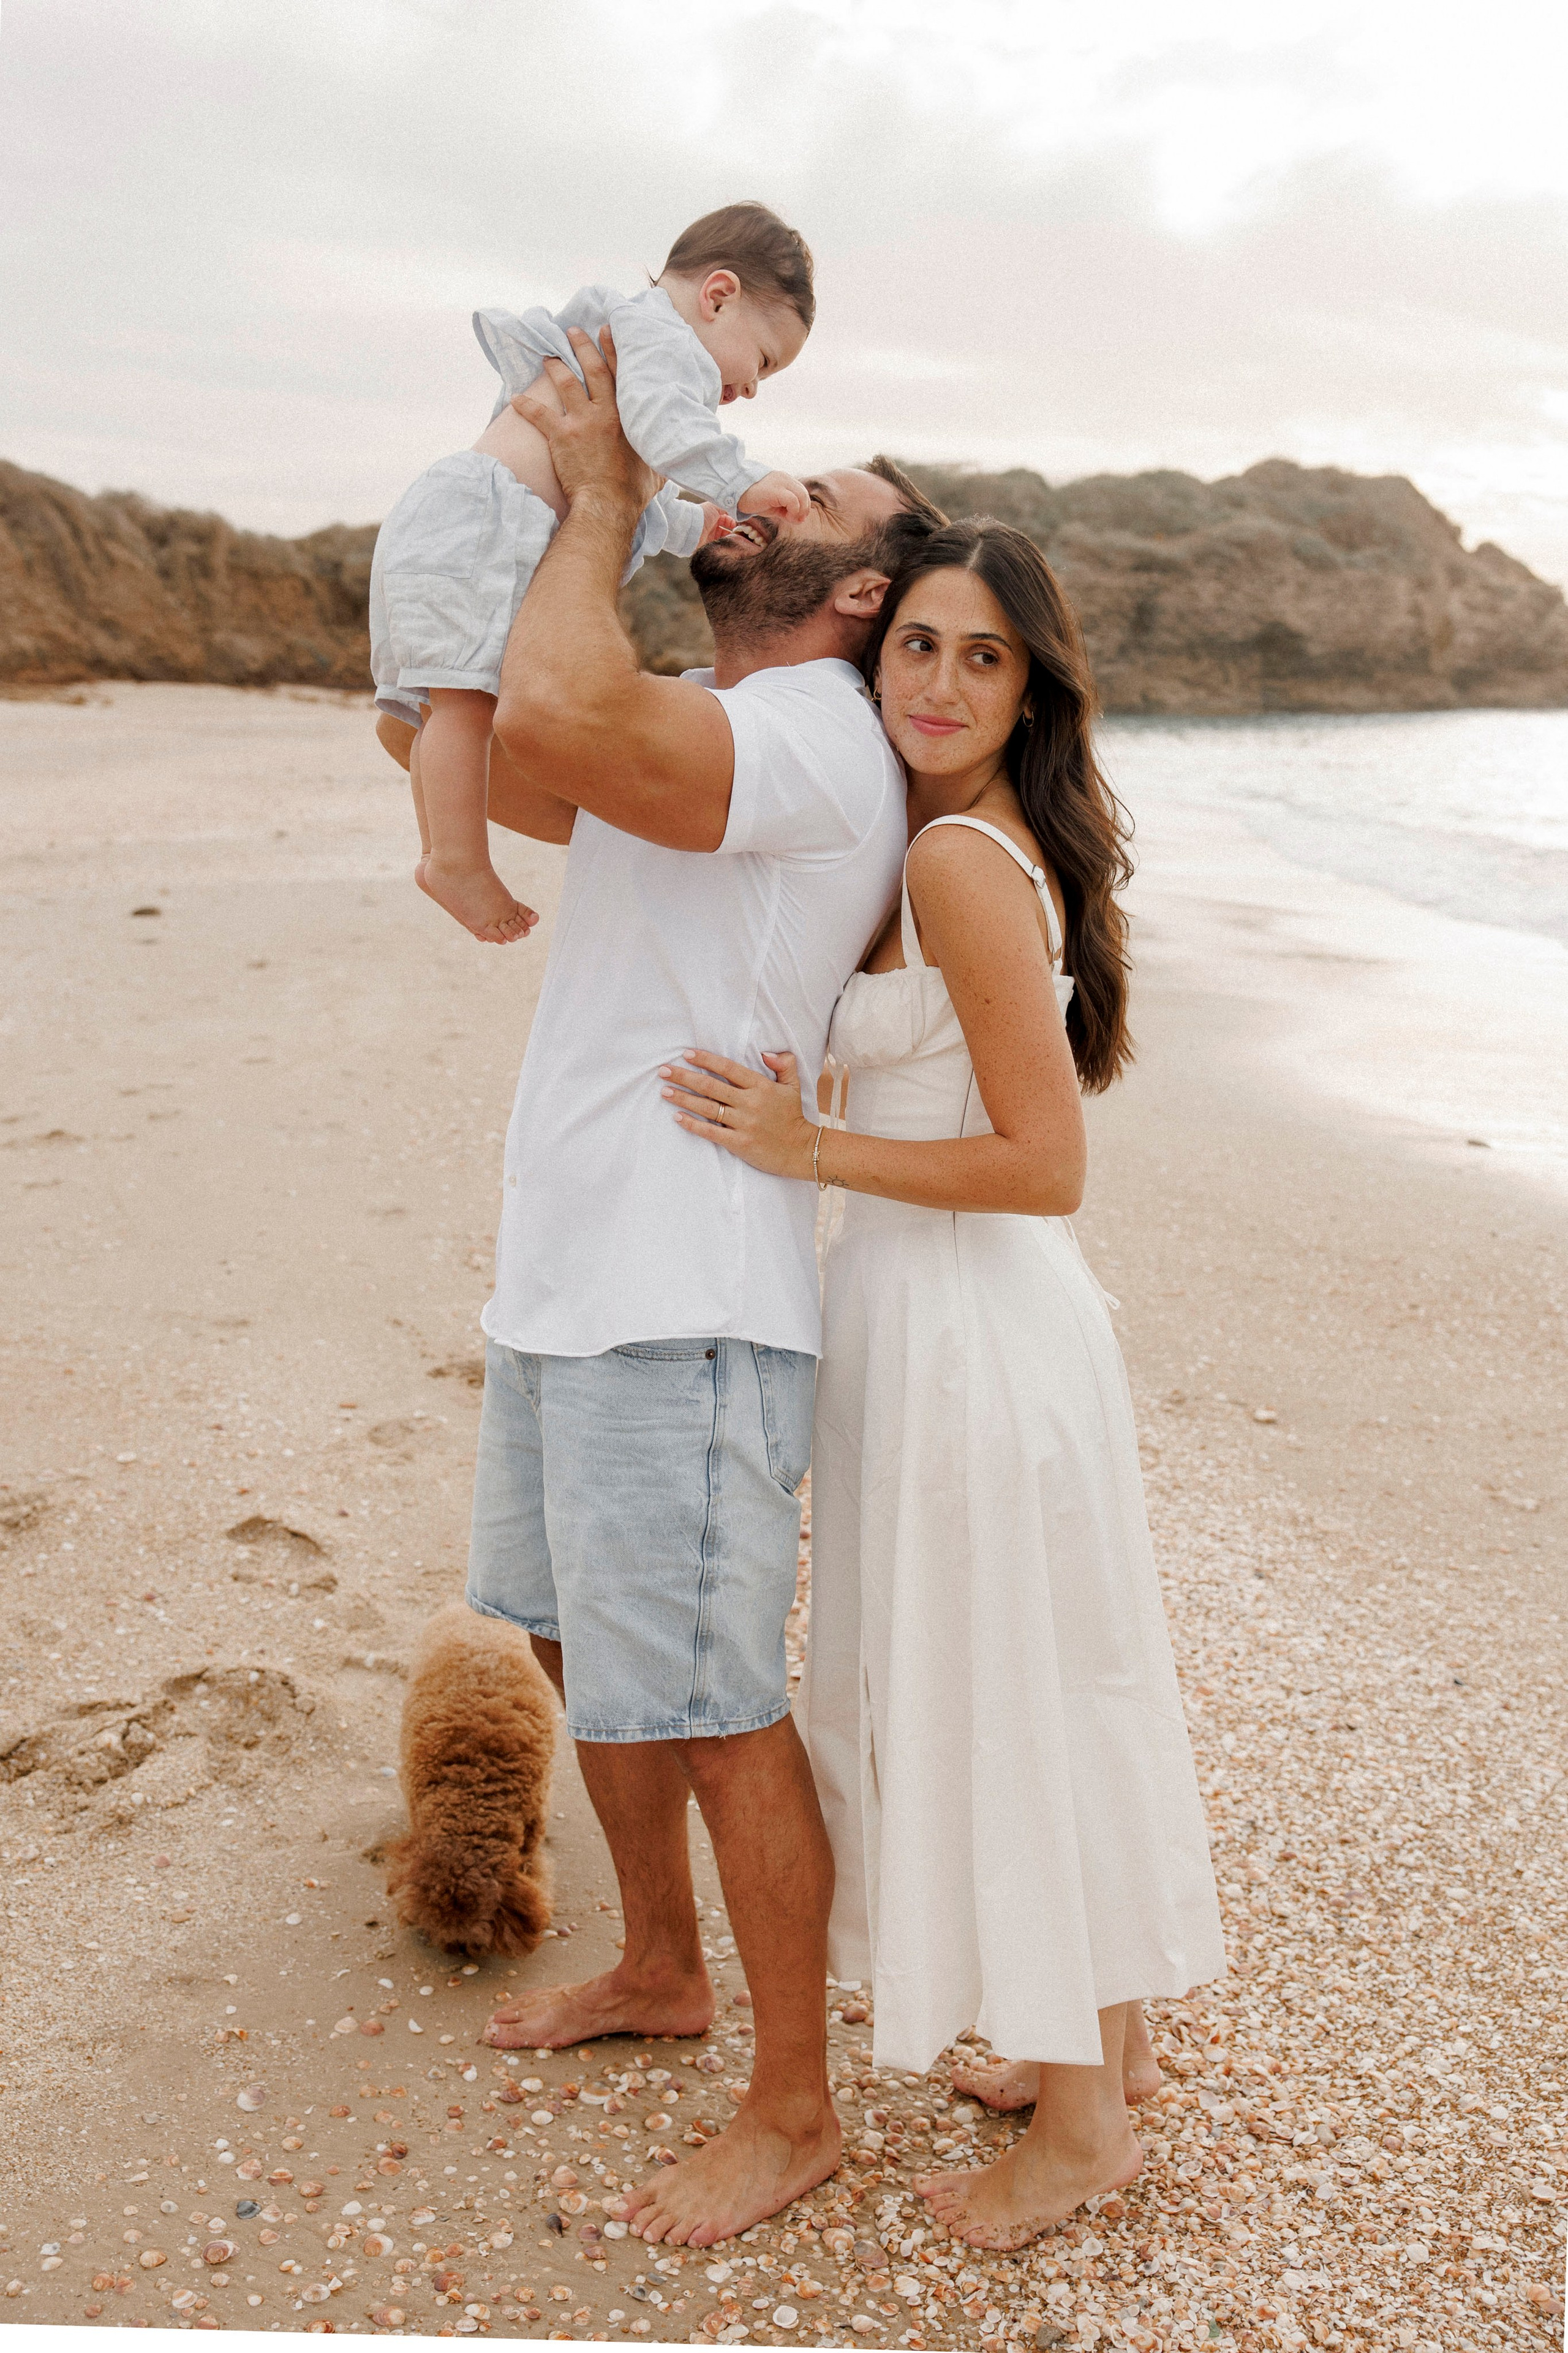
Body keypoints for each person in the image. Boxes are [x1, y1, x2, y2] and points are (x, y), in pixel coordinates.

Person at [663, 518, 1227, 2250]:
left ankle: (1077, 2131)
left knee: (1009, 1693)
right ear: (872, 648)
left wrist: (807, 1143)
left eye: (985, 656)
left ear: (1030, 684)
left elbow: (1047, 1160)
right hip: (977, 1325)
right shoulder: (945, 843)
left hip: (977, 1327)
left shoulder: (963, 868)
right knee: (1057, 1675)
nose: (942, 682)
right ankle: (1102, 2058)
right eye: (919, 643)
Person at [444, 320, 945, 2247]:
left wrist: (608, 491)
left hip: (688, 1298)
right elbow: (496, 764)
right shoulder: (709, 720)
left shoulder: (819, 735)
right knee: (571, 1631)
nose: (775, 486)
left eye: (819, 497)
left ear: (862, 587)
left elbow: (555, 734)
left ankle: (794, 2104)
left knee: (720, 1702)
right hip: (571, 1262)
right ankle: (661, 1962)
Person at [369, 202, 816, 945]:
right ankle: (453, 859)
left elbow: (623, 488)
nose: (752, 389)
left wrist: (692, 525)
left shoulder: (635, 347)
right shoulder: (657, 340)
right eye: (763, 360)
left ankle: (449, 852)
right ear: (718, 295)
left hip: (464, 523)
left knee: (452, 705)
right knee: (460, 706)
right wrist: (741, 482)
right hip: (478, 525)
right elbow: (669, 431)